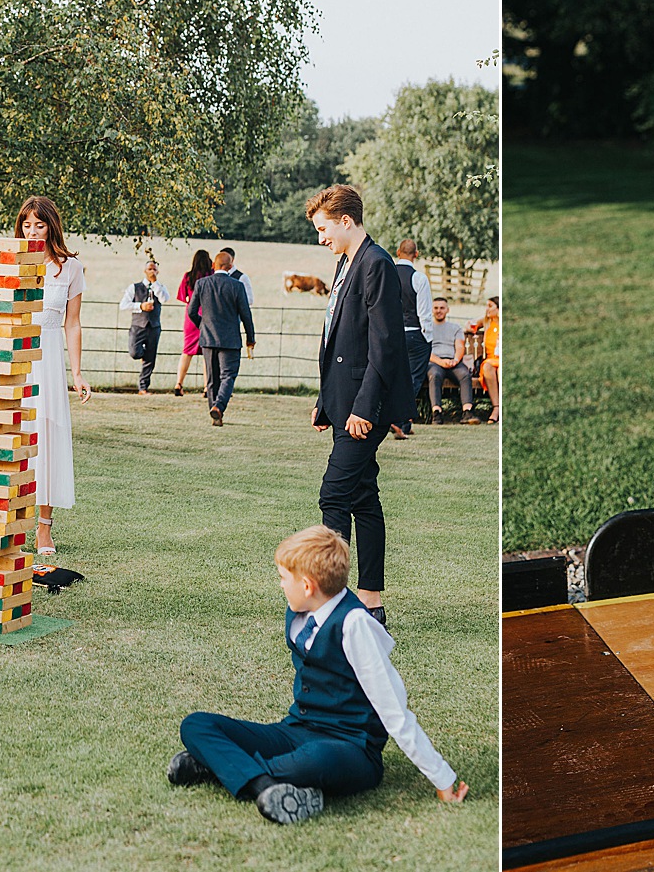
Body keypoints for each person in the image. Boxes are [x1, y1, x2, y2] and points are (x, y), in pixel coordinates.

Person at [168, 526, 468, 823]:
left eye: (284, 578)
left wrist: (442, 779)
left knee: (314, 761)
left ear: (308, 586)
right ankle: (264, 786)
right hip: (294, 730)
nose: (281, 585)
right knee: (196, 725)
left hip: (350, 749)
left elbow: (394, 712)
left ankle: (216, 767)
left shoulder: (354, 624)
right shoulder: (300, 608)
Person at [307, 184, 414, 622]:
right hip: (340, 401)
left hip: (364, 407)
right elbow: (339, 339)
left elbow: (384, 346)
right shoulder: (344, 263)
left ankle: (333, 602)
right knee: (363, 498)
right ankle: (372, 602)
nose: (320, 238)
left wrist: (363, 410)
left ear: (346, 220)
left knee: (334, 493)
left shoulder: (377, 264)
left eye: (323, 228)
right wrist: (324, 402)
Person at [19, 196, 91, 558]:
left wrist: (76, 372)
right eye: (27, 224)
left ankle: (43, 529)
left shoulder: (71, 267)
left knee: (45, 438)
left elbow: (72, 323)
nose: (32, 231)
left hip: (48, 360)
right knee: (16, 437)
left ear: (51, 227)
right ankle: (11, 520)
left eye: (39, 225)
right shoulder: (14, 261)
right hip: (17, 358)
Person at [186, 248, 256, 427]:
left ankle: (215, 414)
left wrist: (202, 325)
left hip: (208, 338)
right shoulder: (236, 285)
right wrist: (250, 337)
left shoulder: (202, 284)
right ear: (230, 266)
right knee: (228, 376)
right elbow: (246, 314)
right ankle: (219, 406)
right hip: (230, 340)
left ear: (213, 265)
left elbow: (191, 311)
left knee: (212, 378)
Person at [393, 238, 434, 438]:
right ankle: (400, 421)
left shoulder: (387, 274)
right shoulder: (419, 278)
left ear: (398, 252)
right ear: (416, 254)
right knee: (413, 379)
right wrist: (427, 338)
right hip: (414, 333)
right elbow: (424, 312)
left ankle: (401, 423)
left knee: (392, 376)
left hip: (390, 334)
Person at [119, 259, 173, 393]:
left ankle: (143, 387)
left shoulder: (161, 287)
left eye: (154, 269)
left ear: (158, 271)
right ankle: (141, 354)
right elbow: (123, 305)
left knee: (150, 358)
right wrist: (140, 306)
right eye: (150, 269)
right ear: (144, 271)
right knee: (134, 352)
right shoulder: (134, 287)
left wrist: (155, 283)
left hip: (154, 326)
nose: (152, 271)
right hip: (138, 326)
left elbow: (164, 299)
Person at [426, 297, 479, 425]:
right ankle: (437, 412)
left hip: (453, 361)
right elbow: (425, 351)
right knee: (435, 375)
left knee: (465, 375)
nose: (439, 311)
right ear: (432, 310)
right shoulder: (427, 328)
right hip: (434, 362)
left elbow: (460, 346)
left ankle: (467, 412)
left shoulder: (455, 327)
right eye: (436, 308)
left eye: (442, 308)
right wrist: (440, 361)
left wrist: (455, 360)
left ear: (447, 310)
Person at [174, 249, 214, 398]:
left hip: (191, 316)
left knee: (187, 351)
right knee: (207, 353)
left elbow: (182, 297)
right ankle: (206, 387)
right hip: (208, 316)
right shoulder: (211, 276)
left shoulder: (188, 276)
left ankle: (179, 383)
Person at [479, 295, 500, 424]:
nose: (487, 309)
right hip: (491, 359)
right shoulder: (487, 323)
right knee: (487, 367)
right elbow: (471, 324)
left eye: (490, 306)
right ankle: (496, 407)